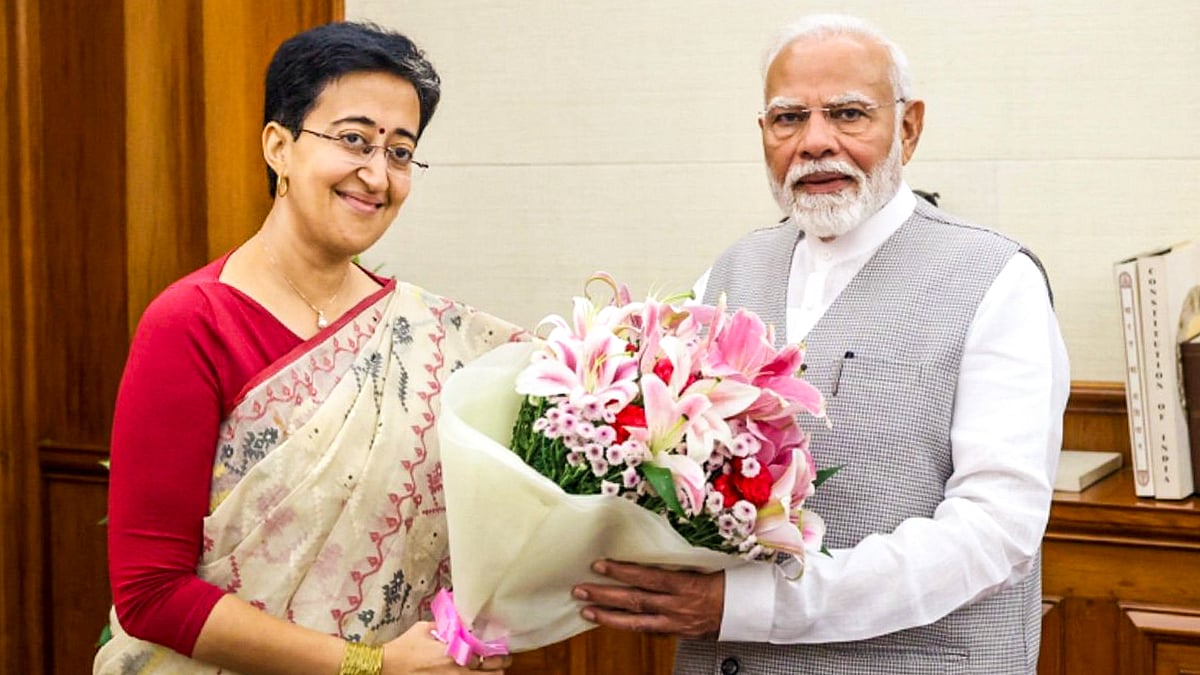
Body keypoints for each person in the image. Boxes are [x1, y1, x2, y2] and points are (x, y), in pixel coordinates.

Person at [572, 13, 1069, 674]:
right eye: (787, 119)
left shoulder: (995, 281)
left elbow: (994, 533)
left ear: (909, 127)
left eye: (848, 114)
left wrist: (752, 605)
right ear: (763, 134)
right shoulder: (725, 276)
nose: (814, 142)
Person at [97, 22, 517, 675]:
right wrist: (367, 665)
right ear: (279, 146)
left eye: (401, 152)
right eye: (354, 140)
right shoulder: (192, 324)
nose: (377, 175)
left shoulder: (424, 334)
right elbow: (151, 591)